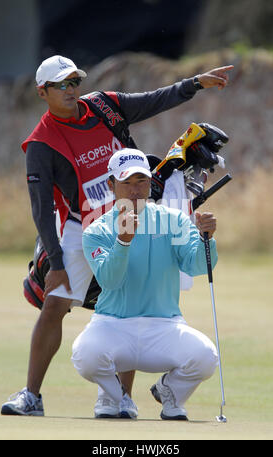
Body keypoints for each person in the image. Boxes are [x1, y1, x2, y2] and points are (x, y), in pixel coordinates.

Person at [1, 55, 232, 417]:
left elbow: (155, 99)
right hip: (82, 227)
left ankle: (123, 398)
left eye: (75, 82)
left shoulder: (104, 106)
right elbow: (41, 208)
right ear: (42, 92)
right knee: (55, 303)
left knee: (132, 293)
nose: (71, 90)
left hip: (133, 212)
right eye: (61, 85)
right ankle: (31, 395)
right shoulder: (41, 143)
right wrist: (57, 264)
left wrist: (194, 83)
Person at [71, 149, 219, 420]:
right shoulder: (97, 230)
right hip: (112, 324)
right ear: (111, 185)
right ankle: (114, 395)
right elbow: (110, 280)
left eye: (141, 182)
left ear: (150, 183)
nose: (135, 190)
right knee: (85, 354)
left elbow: (196, 265)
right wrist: (123, 241)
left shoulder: (173, 221)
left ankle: (170, 392)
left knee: (206, 357)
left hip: (164, 326)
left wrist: (204, 239)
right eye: (126, 183)